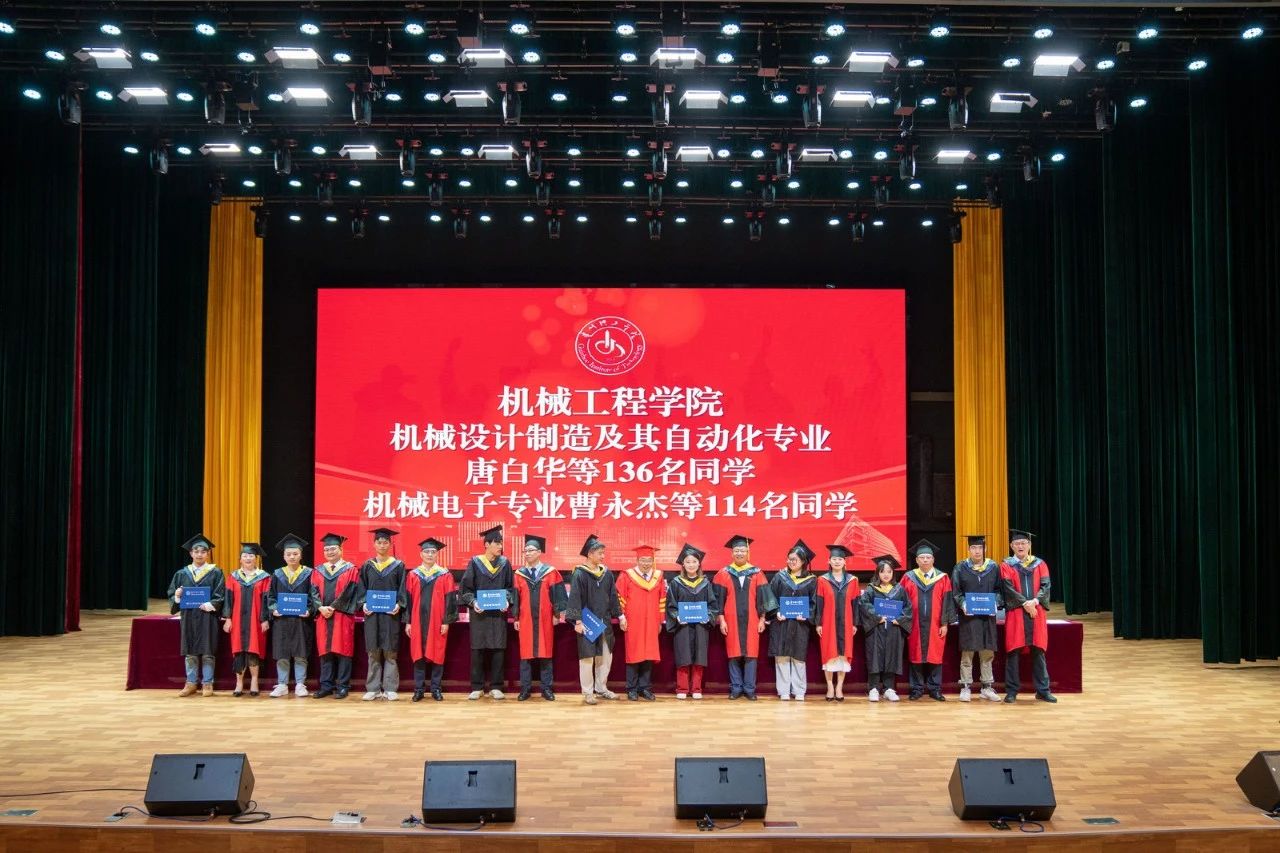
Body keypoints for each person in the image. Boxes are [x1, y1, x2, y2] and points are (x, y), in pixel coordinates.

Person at [713, 534, 776, 701]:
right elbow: (718, 599)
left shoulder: (757, 573)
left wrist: (762, 619)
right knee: (733, 653)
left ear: (748, 552)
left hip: (752, 619)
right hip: (731, 619)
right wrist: (721, 620)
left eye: (742, 550)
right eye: (736, 550)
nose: (739, 553)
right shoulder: (723, 573)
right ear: (732, 553)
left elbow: (763, 598)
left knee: (751, 654)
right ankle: (736, 688)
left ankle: (749, 688)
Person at [564, 534, 624, 705]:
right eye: (599, 553)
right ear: (590, 554)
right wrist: (577, 621)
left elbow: (613, 596)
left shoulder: (607, 573)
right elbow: (575, 597)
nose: (603, 556)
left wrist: (620, 615)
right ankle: (588, 692)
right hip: (587, 622)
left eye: (603, 553)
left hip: (604, 622)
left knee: (605, 656)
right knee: (587, 658)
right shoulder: (580, 574)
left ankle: (602, 688)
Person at [458, 525, 515, 700]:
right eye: (497, 543)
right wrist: (473, 602)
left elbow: (510, 588)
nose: (500, 547)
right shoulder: (475, 563)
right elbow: (466, 589)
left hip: (498, 614)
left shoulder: (505, 563)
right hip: (479, 614)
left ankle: (496, 686)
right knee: (478, 649)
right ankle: (477, 687)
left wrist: (507, 600)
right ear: (487, 544)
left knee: (498, 649)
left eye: (501, 543)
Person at [1001, 529, 1057, 703]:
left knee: (1038, 651)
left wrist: (1035, 601)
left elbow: (1046, 585)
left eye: (1023, 543)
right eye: (1017, 543)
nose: (1020, 546)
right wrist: (1026, 603)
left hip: (1036, 612)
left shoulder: (1040, 564)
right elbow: (1008, 588)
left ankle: (1043, 690)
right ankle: (1011, 691)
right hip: (1017, 612)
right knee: (1013, 651)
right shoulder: (1006, 565)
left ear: (1029, 545)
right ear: (1011, 546)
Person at [168, 534, 226, 698]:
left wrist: (211, 604)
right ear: (191, 553)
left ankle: (207, 683)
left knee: (208, 651)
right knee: (190, 651)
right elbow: (172, 594)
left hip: (208, 617)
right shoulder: (182, 574)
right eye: (196, 551)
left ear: (208, 553)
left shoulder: (216, 573)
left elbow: (221, 595)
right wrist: (177, 596)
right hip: (189, 617)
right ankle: (191, 683)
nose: (199, 554)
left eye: (203, 551)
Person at [767, 539, 823, 701]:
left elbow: (814, 603)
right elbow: (771, 598)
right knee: (782, 656)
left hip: (800, 624)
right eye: (790, 559)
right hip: (781, 623)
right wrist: (777, 612)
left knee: (799, 656)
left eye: (795, 560)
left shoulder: (812, 580)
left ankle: (799, 690)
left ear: (803, 562)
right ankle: (784, 690)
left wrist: (807, 615)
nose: (791, 562)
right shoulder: (780, 577)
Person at [404, 537, 458, 702]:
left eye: (433, 552)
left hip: (437, 621)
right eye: (426, 552)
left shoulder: (445, 575)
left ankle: (436, 689)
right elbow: (408, 600)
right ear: (421, 554)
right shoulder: (413, 575)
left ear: (437, 554)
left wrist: (446, 621)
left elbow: (450, 600)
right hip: (417, 621)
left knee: (438, 653)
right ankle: (419, 689)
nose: (429, 554)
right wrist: (408, 622)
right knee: (418, 654)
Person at [356, 527, 407, 701]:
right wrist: (363, 603)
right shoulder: (367, 566)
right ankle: (373, 688)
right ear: (374, 544)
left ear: (390, 544)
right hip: (372, 615)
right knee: (373, 651)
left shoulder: (398, 565)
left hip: (390, 615)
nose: (382, 545)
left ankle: (390, 688)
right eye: (379, 542)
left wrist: (399, 604)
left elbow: (402, 589)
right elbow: (361, 588)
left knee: (390, 651)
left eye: (385, 542)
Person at [267, 534, 320, 698]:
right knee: (282, 653)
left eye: (295, 554)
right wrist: (274, 609)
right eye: (288, 554)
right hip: (282, 620)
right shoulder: (277, 574)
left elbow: (314, 596)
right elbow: (271, 597)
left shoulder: (309, 573)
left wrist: (309, 610)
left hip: (301, 621)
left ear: (300, 555)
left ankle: (300, 684)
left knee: (300, 653)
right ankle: (282, 684)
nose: (292, 557)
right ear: (284, 556)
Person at [901, 539, 954, 701]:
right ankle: (916, 689)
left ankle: (934, 688)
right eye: (922, 557)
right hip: (914, 623)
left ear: (933, 559)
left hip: (935, 624)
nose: (925, 560)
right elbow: (900, 600)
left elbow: (947, 602)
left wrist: (945, 623)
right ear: (917, 560)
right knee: (915, 655)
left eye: (928, 557)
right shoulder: (908, 577)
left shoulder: (942, 578)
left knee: (935, 655)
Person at [513, 534, 564, 701]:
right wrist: (516, 618)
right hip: (526, 619)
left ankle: (547, 688)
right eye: (525, 551)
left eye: (531, 550)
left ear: (539, 552)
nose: (527, 553)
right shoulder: (519, 574)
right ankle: (525, 689)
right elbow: (516, 597)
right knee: (525, 655)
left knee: (546, 653)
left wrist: (557, 615)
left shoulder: (550, 572)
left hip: (545, 618)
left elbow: (557, 595)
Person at [950, 534, 1002, 703]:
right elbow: (956, 592)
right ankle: (965, 687)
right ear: (968, 549)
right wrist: (963, 604)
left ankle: (986, 687)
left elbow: (999, 590)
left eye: (980, 547)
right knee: (968, 652)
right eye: (973, 548)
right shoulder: (960, 568)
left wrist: (996, 603)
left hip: (987, 616)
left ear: (985, 549)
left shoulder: (993, 567)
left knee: (987, 651)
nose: (977, 551)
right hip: (968, 617)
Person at [665, 544, 719, 700]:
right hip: (682, 626)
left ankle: (696, 688)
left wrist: (708, 616)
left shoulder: (705, 583)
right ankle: (682, 688)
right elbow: (671, 605)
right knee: (683, 656)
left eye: (694, 562)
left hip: (701, 626)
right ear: (683, 564)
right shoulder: (676, 583)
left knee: (699, 656)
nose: (691, 565)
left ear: (699, 564)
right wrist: (677, 616)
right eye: (688, 562)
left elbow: (712, 605)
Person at [312, 532, 359, 699]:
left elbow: (350, 591)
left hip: (342, 616)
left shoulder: (351, 569)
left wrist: (332, 607)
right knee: (325, 652)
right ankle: (326, 686)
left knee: (344, 651)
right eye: (326, 549)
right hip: (323, 616)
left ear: (340, 549)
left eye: (333, 549)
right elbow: (313, 591)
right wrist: (320, 607)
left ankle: (343, 686)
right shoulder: (318, 571)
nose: (330, 552)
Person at [616, 545, 666, 701]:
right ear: (637, 560)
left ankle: (645, 688)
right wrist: (622, 617)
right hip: (633, 621)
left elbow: (662, 599)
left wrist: (660, 621)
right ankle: (631, 688)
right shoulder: (626, 575)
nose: (646, 563)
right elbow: (619, 598)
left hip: (652, 621)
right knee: (634, 654)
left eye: (649, 560)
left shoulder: (658, 576)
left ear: (653, 561)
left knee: (648, 654)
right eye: (643, 560)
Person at [858, 555, 911, 702]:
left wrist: (899, 619)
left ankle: (889, 689)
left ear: (893, 573)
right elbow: (864, 604)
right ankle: (873, 688)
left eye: (889, 571)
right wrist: (877, 617)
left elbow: (908, 607)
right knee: (874, 657)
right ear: (877, 573)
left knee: (892, 657)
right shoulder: (871, 589)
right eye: (882, 571)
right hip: (876, 628)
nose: (886, 574)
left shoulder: (899, 590)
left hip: (894, 628)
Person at [222, 542, 270, 697]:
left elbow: (266, 600)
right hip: (237, 620)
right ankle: (239, 683)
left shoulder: (264, 577)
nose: (248, 558)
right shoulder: (233, 577)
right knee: (239, 650)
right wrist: (228, 618)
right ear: (240, 558)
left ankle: (254, 681)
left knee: (254, 650)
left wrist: (265, 619)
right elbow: (228, 599)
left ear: (256, 558)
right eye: (245, 555)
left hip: (256, 620)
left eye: (251, 555)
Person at [816, 544, 860, 701]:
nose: (837, 561)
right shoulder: (822, 580)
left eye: (840, 559)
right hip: (828, 623)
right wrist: (818, 623)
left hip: (846, 623)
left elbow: (855, 604)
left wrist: (855, 623)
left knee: (843, 655)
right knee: (829, 654)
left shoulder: (853, 581)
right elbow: (819, 603)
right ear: (829, 561)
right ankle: (830, 687)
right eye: (834, 559)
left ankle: (839, 687)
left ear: (845, 562)